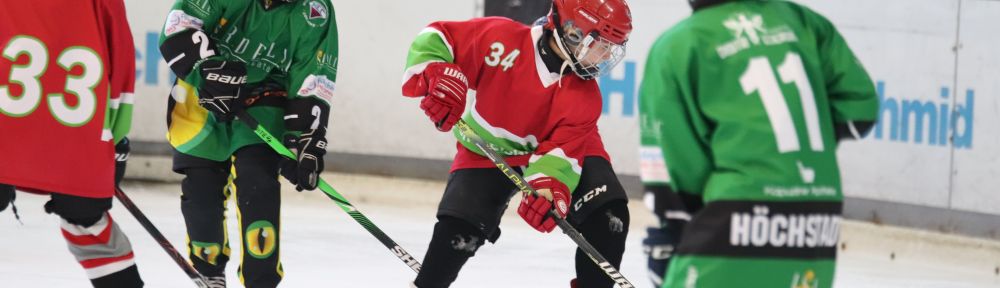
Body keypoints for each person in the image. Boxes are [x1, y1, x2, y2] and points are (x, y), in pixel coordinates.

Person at [638, 0, 880, 287]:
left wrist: (672, 229)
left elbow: (677, 160)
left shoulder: (679, 45)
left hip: (735, 220)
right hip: (815, 221)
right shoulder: (804, 22)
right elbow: (861, 109)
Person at [401, 0, 633, 287]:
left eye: (613, 47)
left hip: (567, 147)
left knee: (609, 217)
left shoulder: (587, 98)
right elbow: (436, 37)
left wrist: (549, 190)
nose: (607, 55)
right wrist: (437, 74)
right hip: (486, 149)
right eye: (603, 45)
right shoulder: (501, 40)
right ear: (574, 33)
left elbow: (562, 154)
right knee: (458, 232)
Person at [157, 0, 338, 286]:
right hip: (206, 90)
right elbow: (179, 25)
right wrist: (209, 70)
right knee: (202, 191)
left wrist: (306, 139)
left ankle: (260, 282)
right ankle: (209, 271)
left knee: (259, 184)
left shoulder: (315, 10)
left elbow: (313, 74)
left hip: (266, 95)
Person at [0, 0, 143, 286]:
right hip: (79, 131)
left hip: (10, 122)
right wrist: (114, 137)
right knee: (86, 218)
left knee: (83, 213)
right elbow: (121, 57)